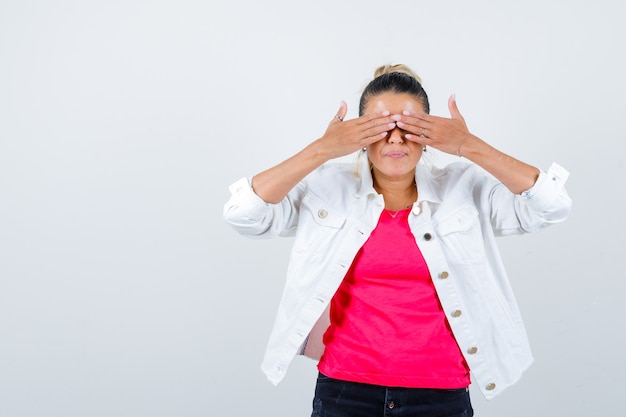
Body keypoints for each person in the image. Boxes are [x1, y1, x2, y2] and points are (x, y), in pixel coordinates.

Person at [223, 64, 571, 417]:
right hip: (345, 392)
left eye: (409, 128)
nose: (394, 139)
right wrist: (323, 150)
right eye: (378, 128)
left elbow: (551, 207)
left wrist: (468, 145)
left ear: (430, 134)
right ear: (357, 136)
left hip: (440, 394)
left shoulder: (463, 189)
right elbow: (243, 214)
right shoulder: (328, 189)